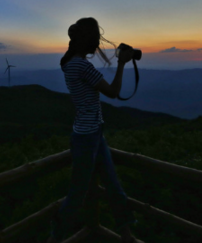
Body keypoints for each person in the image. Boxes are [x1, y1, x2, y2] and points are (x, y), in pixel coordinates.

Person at [47, 17, 144, 243]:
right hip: (87, 138)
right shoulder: (81, 65)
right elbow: (112, 92)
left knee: (113, 187)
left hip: (92, 134)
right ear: (89, 41)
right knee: (77, 195)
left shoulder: (69, 63)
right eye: (96, 39)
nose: (98, 44)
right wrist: (121, 63)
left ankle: (127, 236)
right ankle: (55, 238)